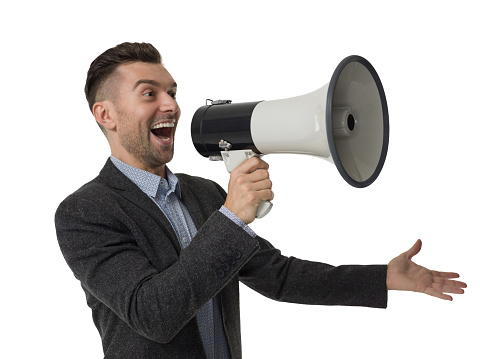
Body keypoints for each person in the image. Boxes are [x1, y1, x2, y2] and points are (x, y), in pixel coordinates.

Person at [55, 42, 466, 359]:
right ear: (105, 115)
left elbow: (278, 276)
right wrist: (231, 217)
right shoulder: (85, 212)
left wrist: (382, 279)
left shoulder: (204, 194)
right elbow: (154, 315)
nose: (172, 105)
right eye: (150, 94)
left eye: (172, 92)